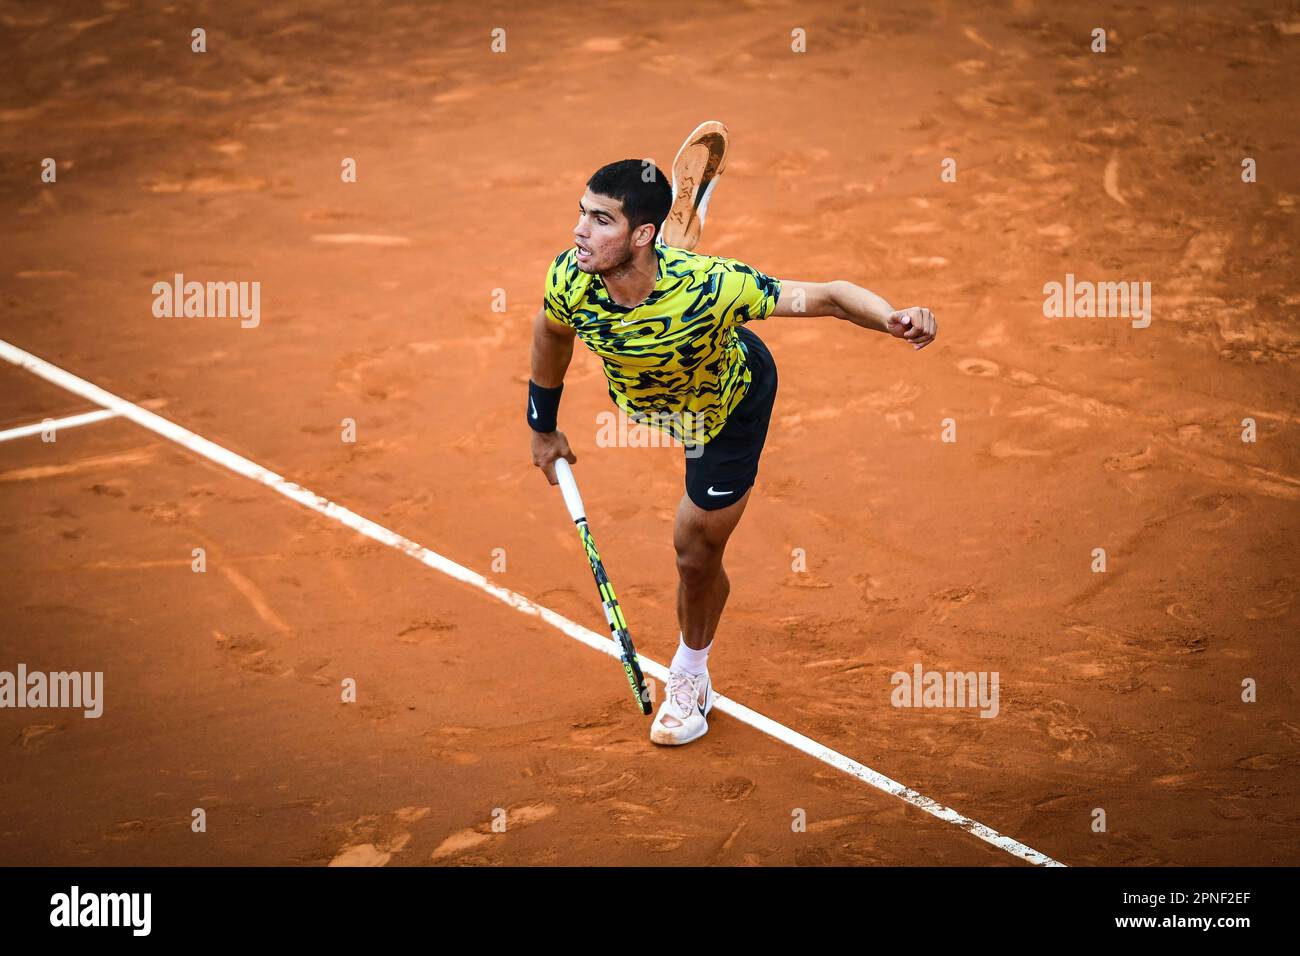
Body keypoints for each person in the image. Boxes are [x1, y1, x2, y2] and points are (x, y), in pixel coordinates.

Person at [528, 158, 937, 746]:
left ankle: (691, 675)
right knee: (659, 280)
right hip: (659, 402)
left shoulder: (716, 287)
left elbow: (828, 297)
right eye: (581, 214)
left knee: (695, 552)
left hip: (727, 407)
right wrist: (542, 425)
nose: (578, 232)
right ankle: (678, 232)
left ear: (637, 232)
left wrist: (895, 317)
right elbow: (551, 331)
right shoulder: (571, 277)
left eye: (600, 220)